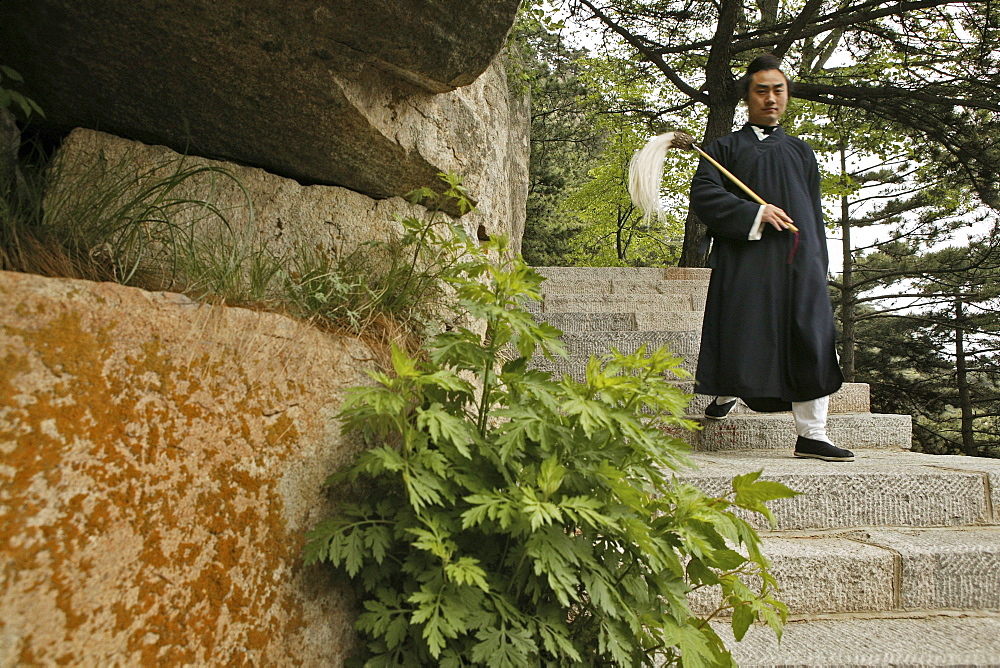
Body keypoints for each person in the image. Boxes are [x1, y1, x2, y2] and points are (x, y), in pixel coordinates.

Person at [690, 54, 853, 462]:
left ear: (786, 96)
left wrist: (818, 259)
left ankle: (812, 434)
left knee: (813, 338)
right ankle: (728, 391)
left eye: (777, 90)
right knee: (745, 334)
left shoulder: (802, 152)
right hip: (746, 260)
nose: (770, 99)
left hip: (799, 261)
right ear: (747, 97)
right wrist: (755, 212)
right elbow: (705, 198)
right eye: (760, 91)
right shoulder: (721, 149)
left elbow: (812, 212)